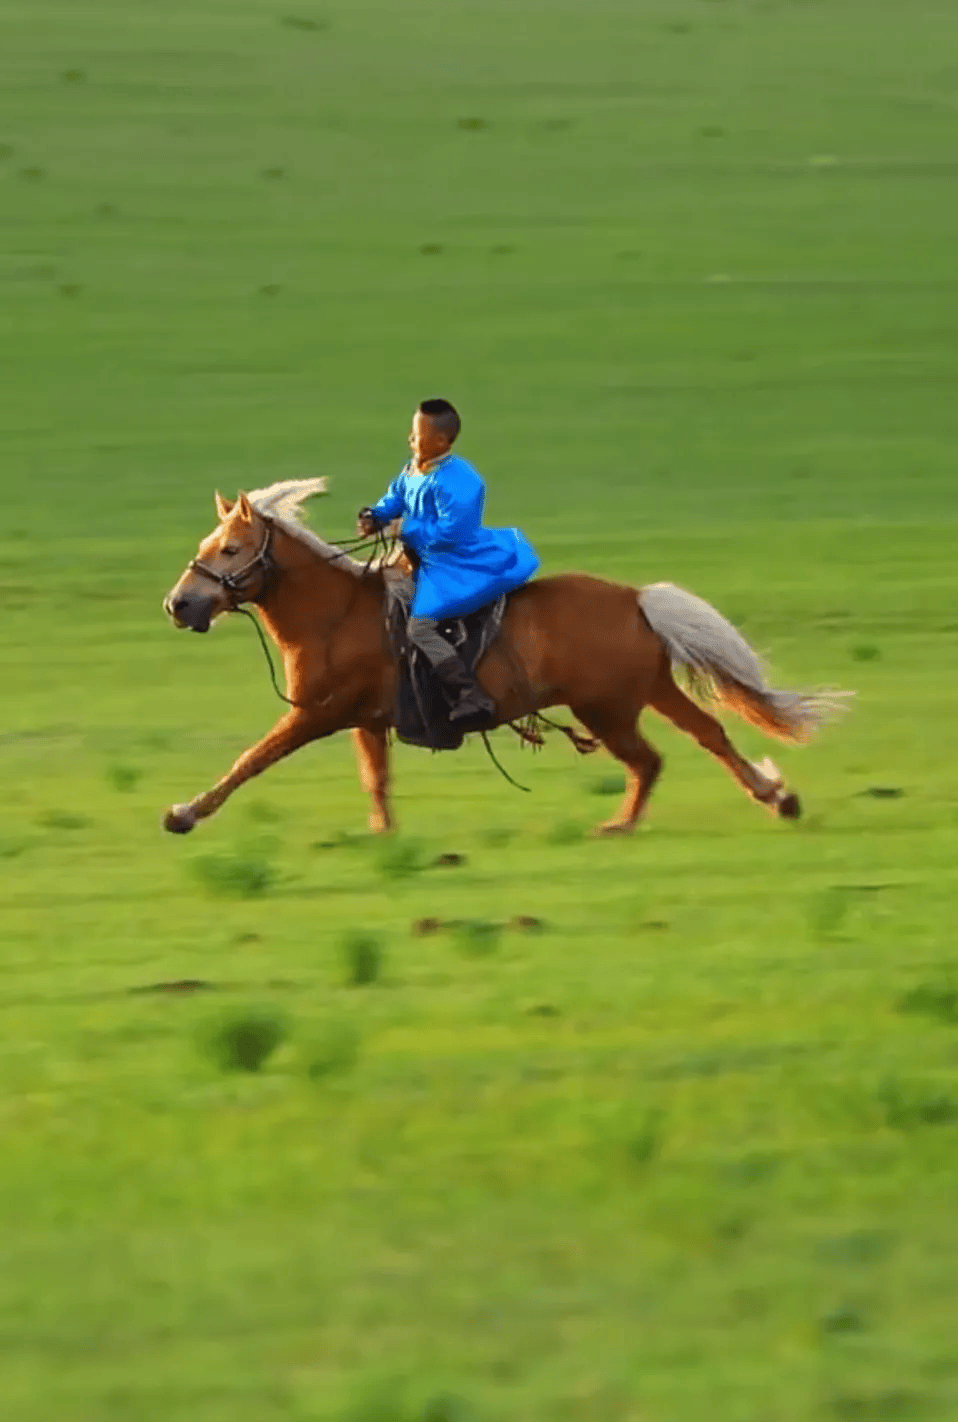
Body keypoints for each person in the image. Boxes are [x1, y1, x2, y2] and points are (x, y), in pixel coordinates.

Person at [358, 398, 540, 725]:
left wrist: (406, 527)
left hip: (455, 563)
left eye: (418, 436)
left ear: (441, 441)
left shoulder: (462, 482)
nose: (411, 441)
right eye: (412, 434)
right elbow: (396, 497)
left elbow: (451, 534)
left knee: (420, 627)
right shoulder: (415, 467)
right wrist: (376, 515)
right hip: (420, 556)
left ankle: (470, 694)